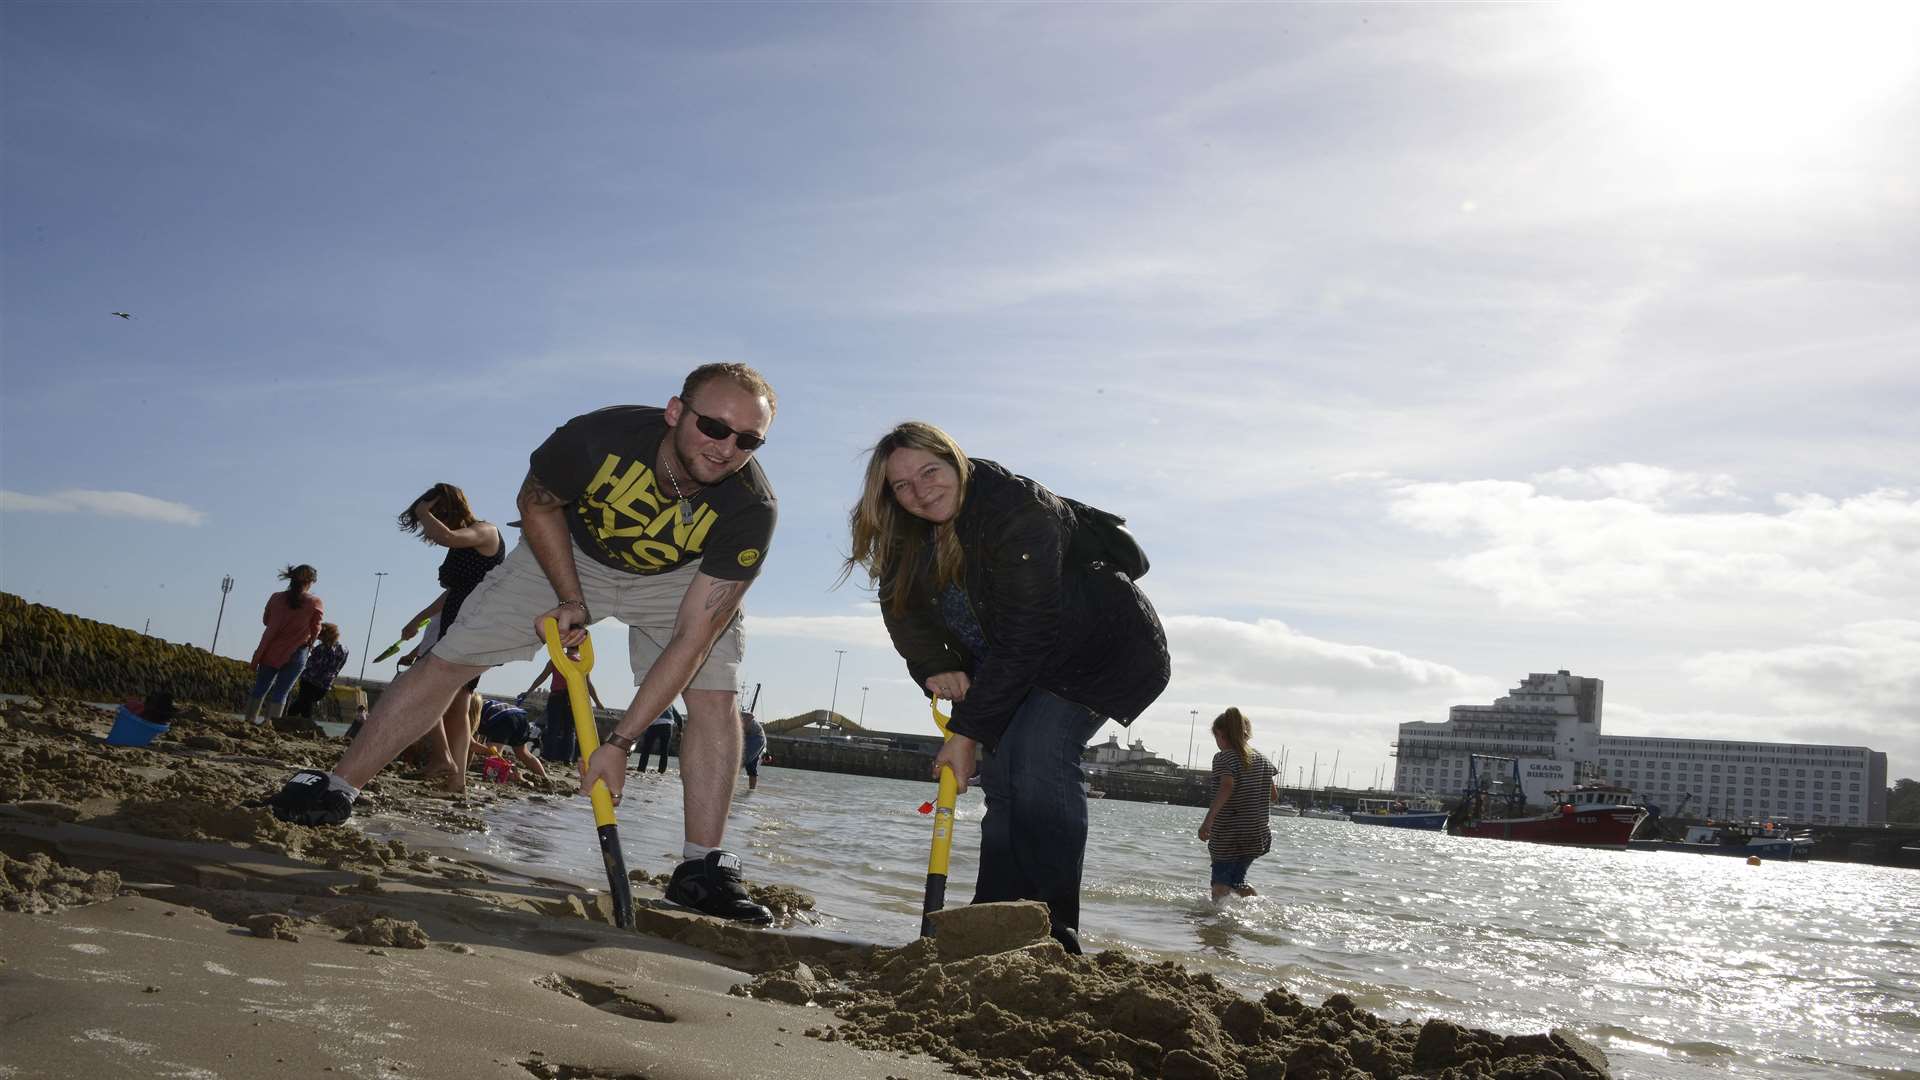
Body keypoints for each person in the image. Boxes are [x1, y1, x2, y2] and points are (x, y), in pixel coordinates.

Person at [264, 363, 781, 923]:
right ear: (676, 412)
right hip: (569, 552)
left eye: (749, 439)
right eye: (714, 427)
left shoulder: (751, 508)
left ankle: (701, 867)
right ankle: (337, 788)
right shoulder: (597, 438)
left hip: (679, 577)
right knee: (449, 661)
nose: (727, 448)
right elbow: (536, 504)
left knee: (715, 695)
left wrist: (620, 743)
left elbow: (694, 636)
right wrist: (571, 599)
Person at [844, 421, 1169, 953]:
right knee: (1005, 777)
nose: (921, 491)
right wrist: (933, 664)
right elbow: (902, 612)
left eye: (930, 472)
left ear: (957, 463)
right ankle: (995, 914)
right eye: (903, 486)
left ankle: (1051, 926)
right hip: (1014, 661)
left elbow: (1028, 633)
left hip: (1097, 653)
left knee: (1039, 753)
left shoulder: (1016, 509)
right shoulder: (904, 534)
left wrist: (967, 733)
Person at [395, 483, 505, 790]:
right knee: (457, 705)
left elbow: (447, 536)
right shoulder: (462, 546)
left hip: (474, 627)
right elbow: (454, 592)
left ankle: (442, 758)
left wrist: (421, 511)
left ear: (446, 510)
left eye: (434, 516)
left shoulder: (484, 532)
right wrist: (418, 619)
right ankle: (457, 779)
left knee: (424, 689)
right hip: (457, 622)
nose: (430, 530)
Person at [1196, 708, 1280, 901]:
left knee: (1220, 882)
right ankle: (1257, 907)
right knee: (1237, 880)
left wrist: (1208, 822)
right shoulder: (1263, 760)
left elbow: (1226, 786)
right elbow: (1274, 796)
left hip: (1229, 833)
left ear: (1221, 735)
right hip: (1257, 834)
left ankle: (1215, 922)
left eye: (1216, 737)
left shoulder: (1224, 757)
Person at [245, 565, 324, 725]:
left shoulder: (276, 598)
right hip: (297, 651)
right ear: (309, 582)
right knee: (281, 691)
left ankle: (249, 720)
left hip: (270, 649)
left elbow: (266, 620)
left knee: (260, 687)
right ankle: (270, 723)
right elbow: (316, 628)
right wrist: (310, 641)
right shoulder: (315, 602)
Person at [519, 647, 604, 764]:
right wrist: (597, 702)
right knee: (570, 730)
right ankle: (567, 759)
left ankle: (547, 756)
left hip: (557, 697)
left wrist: (528, 692)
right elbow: (588, 684)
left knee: (553, 728)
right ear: (579, 648)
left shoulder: (557, 659)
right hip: (574, 699)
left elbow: (542, 677)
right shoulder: (582, 662)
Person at [474, 698, 549, 780]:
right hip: (520, 716)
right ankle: (545, 778)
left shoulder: (468, 712)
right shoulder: (478, 703)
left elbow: (470, 743)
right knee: (523, 753)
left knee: (494, 756)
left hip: (502, 718)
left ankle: (513, 776)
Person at [287, 623, 349, 719]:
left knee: (300, 706)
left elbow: (309, 664)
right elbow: (339, 667)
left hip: (309, 681)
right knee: (306, 705)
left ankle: (287, 722)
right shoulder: (344, 650)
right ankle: (304, 726)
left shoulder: (320, 649)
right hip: (324, 684)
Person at [635, 707, 678, 773]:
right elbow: (678, 717)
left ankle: (641, 769)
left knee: (646, 749)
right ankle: (662, 771)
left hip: (654, 724)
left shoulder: (651, 698)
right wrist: (680, 730)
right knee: (664, 751)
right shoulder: (670, 703)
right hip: (667, 725)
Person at [740, 710, 767, 791]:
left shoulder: (734, 711)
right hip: (754, 738)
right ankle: (752, 791)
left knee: (740, 762)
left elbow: (750, 715)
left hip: (756, 737)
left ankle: (727, 787)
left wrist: (743, 725)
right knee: (751, 766)